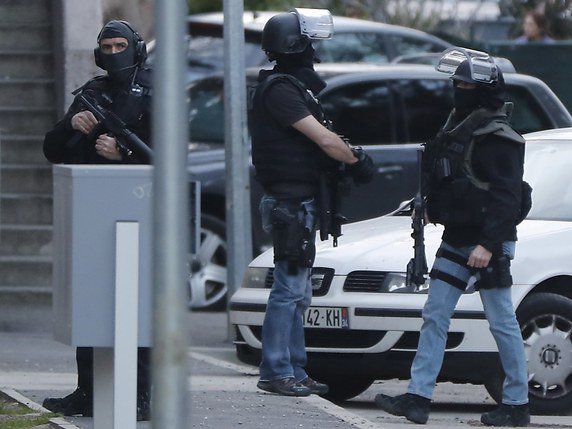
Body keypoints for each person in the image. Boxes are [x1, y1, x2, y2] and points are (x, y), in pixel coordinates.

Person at [375, 49, 531, 427]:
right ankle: (418, 398)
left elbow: (507, 197)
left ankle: (517, 404)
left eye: (464, 85)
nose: (456, 91)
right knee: (435, 315)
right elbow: (453, 181)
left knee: (501, 321)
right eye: (455, 83)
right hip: (458, 237)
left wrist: (489, 245)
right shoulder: (458, 128)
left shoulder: (498, 137)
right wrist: (431, 208)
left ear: (482, 91)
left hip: (486, 244)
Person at [248, 8, 374, 397]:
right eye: (310, 43)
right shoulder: (282, 91)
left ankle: (295, 369)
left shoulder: (286, 86)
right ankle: (275, 370)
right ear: (296, 45)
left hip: (297, 201)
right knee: (288, 290)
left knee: (299, 291)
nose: (314, 51)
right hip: (289, 203)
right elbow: (322, 138)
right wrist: (355, 157)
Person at [41, 20, 153, 421]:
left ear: (136, 48)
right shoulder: (93, 92)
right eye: (106, 46)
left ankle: (141, 394)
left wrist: (124, 154)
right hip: (92, 213)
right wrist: (73, 125)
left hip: (139, 212)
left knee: (136, 308)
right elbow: (52, 149)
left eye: (120, 44)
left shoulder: (156, 91)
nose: (113, 52)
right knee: (91, 305)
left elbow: (168, 156)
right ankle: (87, 390)